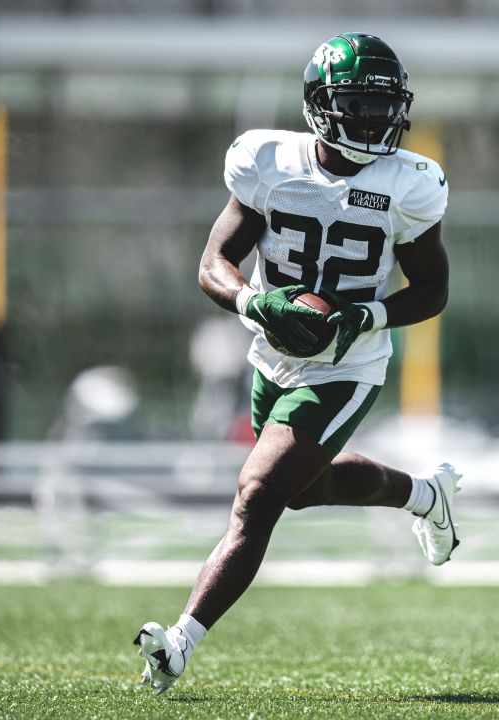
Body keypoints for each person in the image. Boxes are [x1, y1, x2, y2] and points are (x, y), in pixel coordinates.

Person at [134, 32, 460, 695]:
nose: (374, 121)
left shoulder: (410, 183)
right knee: (301, 490)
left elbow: (432, 291)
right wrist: (257, 302)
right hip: (273, 352)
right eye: (356, 106)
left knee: (257, 495)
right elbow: (212, 264)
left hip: (347, 361)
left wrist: (362, 316)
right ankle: (427, 496)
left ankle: (179, 642)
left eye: (384, 106)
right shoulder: (267, 161)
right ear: (318, 105)